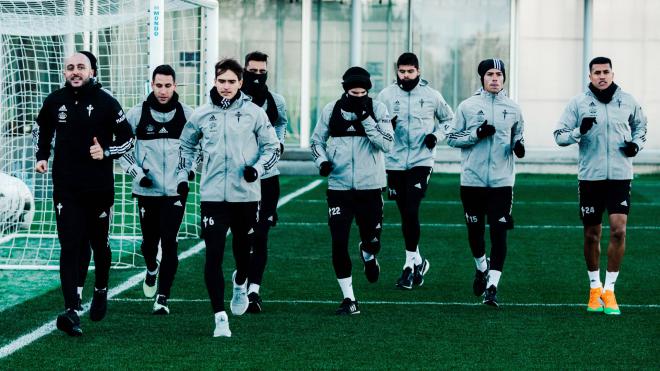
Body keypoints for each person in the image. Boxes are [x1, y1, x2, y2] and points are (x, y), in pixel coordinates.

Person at [177, 58, 279, 337]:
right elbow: (186, 145)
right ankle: (220, 318)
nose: (226, 86)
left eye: (231, 81)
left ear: (240, 83)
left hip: (246, 196)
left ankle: (240, 282)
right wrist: (185, 172)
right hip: (212, 197)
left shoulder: (254, 113)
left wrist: (256, 170)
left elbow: (273, 148)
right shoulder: (200, 114)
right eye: (221, 81)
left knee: (243, 254)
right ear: (214, 81)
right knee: (213, 255)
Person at [34, 52, 133, 335]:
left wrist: (106, 152)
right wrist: (42, 155)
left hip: (99, 188)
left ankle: (101, 288)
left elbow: (128, 139)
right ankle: (72, 309)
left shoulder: (106, 102)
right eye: (70, 68)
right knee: (70, 246)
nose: (75, 72)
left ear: (92, 71)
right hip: (66, 188)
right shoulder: (55, 101)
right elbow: (41, 128)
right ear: (65, 72)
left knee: (99, 245)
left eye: (80, 67)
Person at [554, 56, 647, 315]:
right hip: (591, 179)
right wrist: (577, 132)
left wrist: (636, 145)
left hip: (620, 176)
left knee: (619, 231)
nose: (602, 76)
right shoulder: (578, 103)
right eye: (597, 72)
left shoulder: (627, 100)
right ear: (590, 76)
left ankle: (610, 290)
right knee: (592, 234)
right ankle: (594, 288)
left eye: (606, 71)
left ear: (613, 73)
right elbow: (559, 136)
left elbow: (641, 126)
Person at [310, 66, 393, 315]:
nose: (358, 96)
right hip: (339, 187)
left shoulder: (378, 109)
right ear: (345, 89)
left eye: (363, 92)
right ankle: (349, 299)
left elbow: (387, 144)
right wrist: (322, 162)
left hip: (371, 187)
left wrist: (366, 118)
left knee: (373, 240)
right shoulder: (331, 110)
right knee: (338, 242)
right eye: (353, 92)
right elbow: (316, 141)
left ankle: (368, 255)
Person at [446, 58, 525, 307]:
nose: (494, 78)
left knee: (499, 233)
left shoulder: (513, 108)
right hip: (473, 180)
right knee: (476, 232)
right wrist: (475, 134)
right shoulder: (468, 106)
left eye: (499, 75)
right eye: (490, 74)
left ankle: (492, 287)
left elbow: (518, 136)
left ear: (504, 78)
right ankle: (481, 267)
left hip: (502, 182)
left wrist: (519, 146)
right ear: (481, 77)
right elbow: (451, 137)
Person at [118, 64, 194, 315]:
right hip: (146, 192)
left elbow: (197, 149)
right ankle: (151, 269)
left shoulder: (187, 115)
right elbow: (121, 150)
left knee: (170, 241)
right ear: (152, 85)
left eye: (168, 86)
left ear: (175, 86)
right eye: (158, 85)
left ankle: (162, 297)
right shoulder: (136, 114)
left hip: (175, 191)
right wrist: (138, 174)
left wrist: (186, 172)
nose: (163, 91)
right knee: (149, 244)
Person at [376, 52, 454, 290]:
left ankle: (409, 266)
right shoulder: (386, 96)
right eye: (402, 71)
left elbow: (449, 120)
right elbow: (376, 124)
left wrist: (435, 136)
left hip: (422, 161)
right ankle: (419, 261)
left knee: (411, 208)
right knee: (404, 213)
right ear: (396, 71)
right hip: (394, 162)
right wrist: (388, 127)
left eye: (410, 71)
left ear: (418, 71)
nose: (406, 75)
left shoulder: (432, 95)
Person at [240, 51, 288, 313]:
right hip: (242, 178)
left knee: (261, 236)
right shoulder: (236, 101)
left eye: (262, 72)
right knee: (243, 236)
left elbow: (282, 123)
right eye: (252, 71)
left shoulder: (275, 100)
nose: (257, 76)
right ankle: (240, 283)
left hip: (268, 178)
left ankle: (254, 291)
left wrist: (279, 143)